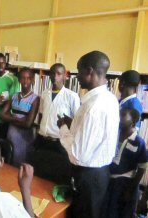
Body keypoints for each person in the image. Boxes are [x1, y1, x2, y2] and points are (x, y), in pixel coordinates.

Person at [57, 51, 119, 218]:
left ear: (90, 71)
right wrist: (74, 123)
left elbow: (78, 154)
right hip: (100, 173)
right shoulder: (110, 99)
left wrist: (63, 128)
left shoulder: (93, 107)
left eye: (79, 70)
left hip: (88, 176)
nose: (76, 76)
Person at [32, 63, 80, 184]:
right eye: (52, 73)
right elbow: (42, 114)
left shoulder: (72, 96)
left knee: (57, 175)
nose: (55, 77)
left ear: (65, 76)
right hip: (43, 139)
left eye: (58, 74)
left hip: (59, 143)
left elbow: (76, 122)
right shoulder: (44, 93)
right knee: (40, 173)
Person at [104, 108, 147, 218]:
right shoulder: (113, 135)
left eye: (123, 115)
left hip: (125, 184)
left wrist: (131, 190)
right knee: (108, 211)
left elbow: (142, 168)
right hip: (109, 181)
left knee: (122, 213)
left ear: (133, 122)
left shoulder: (138, 142)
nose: (118, 117)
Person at [0, 68, 39, 167]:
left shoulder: (35, 99)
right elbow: (1, 115)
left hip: (25, 138)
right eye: (22, 78)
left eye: (28, 78)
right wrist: (17, 119)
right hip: (11, 135)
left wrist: (10, 117)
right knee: (9, 162)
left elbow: (27, 124)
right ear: (19, 80)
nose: (25, 81)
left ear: (32, 80)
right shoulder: (14, 96)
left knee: (21, 164)